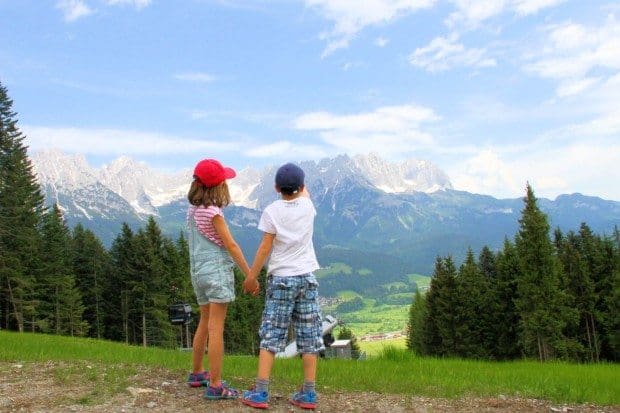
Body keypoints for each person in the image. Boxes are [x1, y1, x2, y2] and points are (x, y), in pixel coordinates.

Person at [241, 162, 324, 410]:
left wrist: (252, 276)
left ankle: (261, 392)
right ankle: (308, 393)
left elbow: (265, 247)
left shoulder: (272, 211)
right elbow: (305, 193)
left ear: (276, 187)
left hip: (281, 280)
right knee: (309, 334)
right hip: (307, 278)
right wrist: (301, 187)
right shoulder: (309, 207)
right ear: (301, 187)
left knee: (272, 334)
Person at [185, 158, 257, 400]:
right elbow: (232, 246)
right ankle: (215, 384)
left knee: (204, 321)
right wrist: (250, 274)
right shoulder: (214, 213)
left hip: (198, 273)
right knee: (217, 327)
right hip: (216, 272)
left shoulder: (193, 211)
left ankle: (197, 372)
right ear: (218, 187)